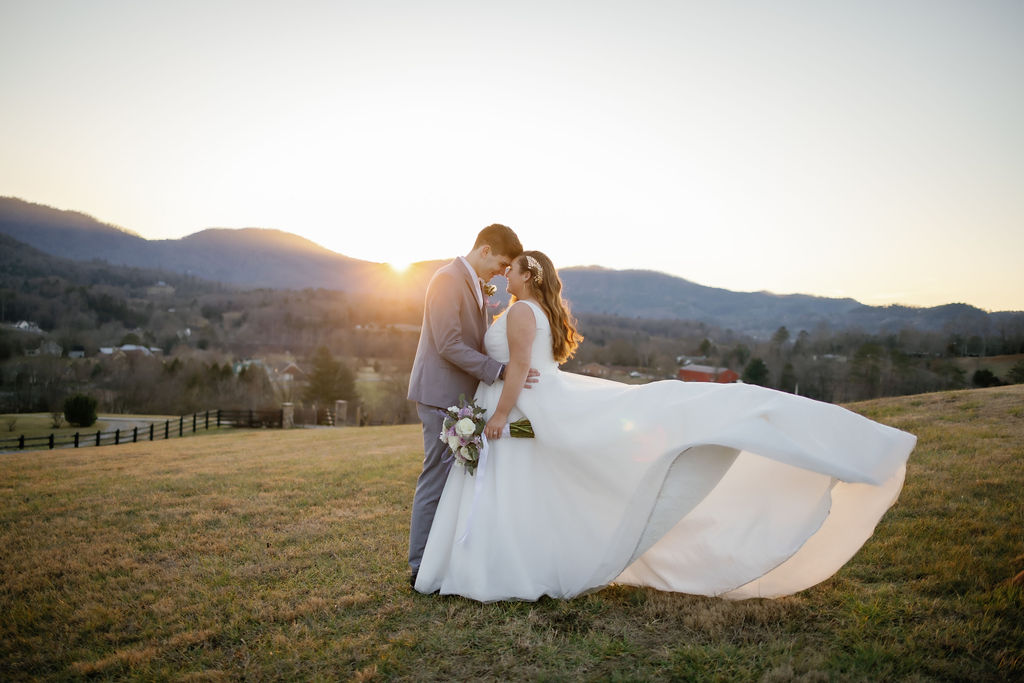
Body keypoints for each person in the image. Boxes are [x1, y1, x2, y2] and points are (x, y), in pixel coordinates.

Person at [414, 251, 916, 601]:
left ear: (530, 274)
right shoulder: (533, 308)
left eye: (514, 269)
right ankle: (508, 562)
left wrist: (498, 416)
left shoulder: (522, 311)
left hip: (520, 411)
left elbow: (520, 369)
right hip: (527, 411)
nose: (507, 273)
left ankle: (500, 568)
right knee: (529, 488)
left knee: (523, 486)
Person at [406, 224, 537, 588]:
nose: (502, 271)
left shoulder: (475, 284)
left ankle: (440, 559)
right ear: (483, 250)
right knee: (435, 478)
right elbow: (447, 343)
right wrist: (499, 370)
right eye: (501, 262)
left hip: (460, 397)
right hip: (439, 395)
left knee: (452, 483)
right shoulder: (448, 279)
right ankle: (420, 566)